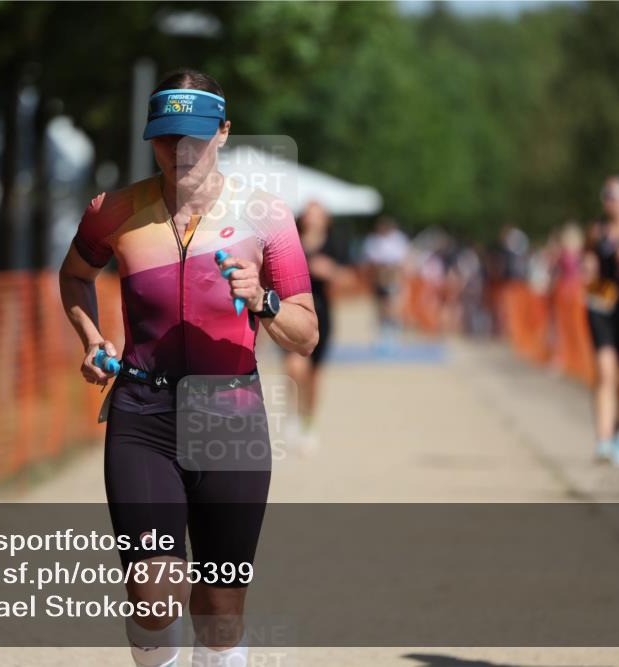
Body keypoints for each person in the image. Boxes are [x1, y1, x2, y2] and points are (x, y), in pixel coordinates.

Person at [58, 68, 317, 667]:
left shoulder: (266, 216)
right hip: (142, 415)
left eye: (195, 138)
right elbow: (74, 275)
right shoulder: (114, 211)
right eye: (166, 138)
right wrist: (92, 337)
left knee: (220, 610)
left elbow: (306, 335)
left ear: (222, 132)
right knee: (153, 597)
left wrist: (263, 300)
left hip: (230, 416)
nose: (180, 152)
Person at [582, 176, 619, 466]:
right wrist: (588, 269)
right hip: (601, 302)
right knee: (604, 371)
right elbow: (589, 264)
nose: (609, 199)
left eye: (615, 194)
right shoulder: (597, 231)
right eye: (606, 194)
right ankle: (603, 440)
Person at [283, 201, 343, 453]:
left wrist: (331, 272)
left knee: (315, 375)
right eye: (309, 213)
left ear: (326, 219)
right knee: (294, 368)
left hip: (322, 315)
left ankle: (309, 422)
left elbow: (350, 278)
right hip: (293, 311)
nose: (313, 218)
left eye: (318, 214)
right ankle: (293, 416)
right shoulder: (291, 242)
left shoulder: (334, 244)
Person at [361, 216, 409, 335]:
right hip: (379, 275)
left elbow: (402, 259)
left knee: (393, 302)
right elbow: (370, 260)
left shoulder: (398, 239)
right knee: (381, 302)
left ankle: (393, 325)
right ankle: (383, 326)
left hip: (393, 274)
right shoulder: (373, 240)